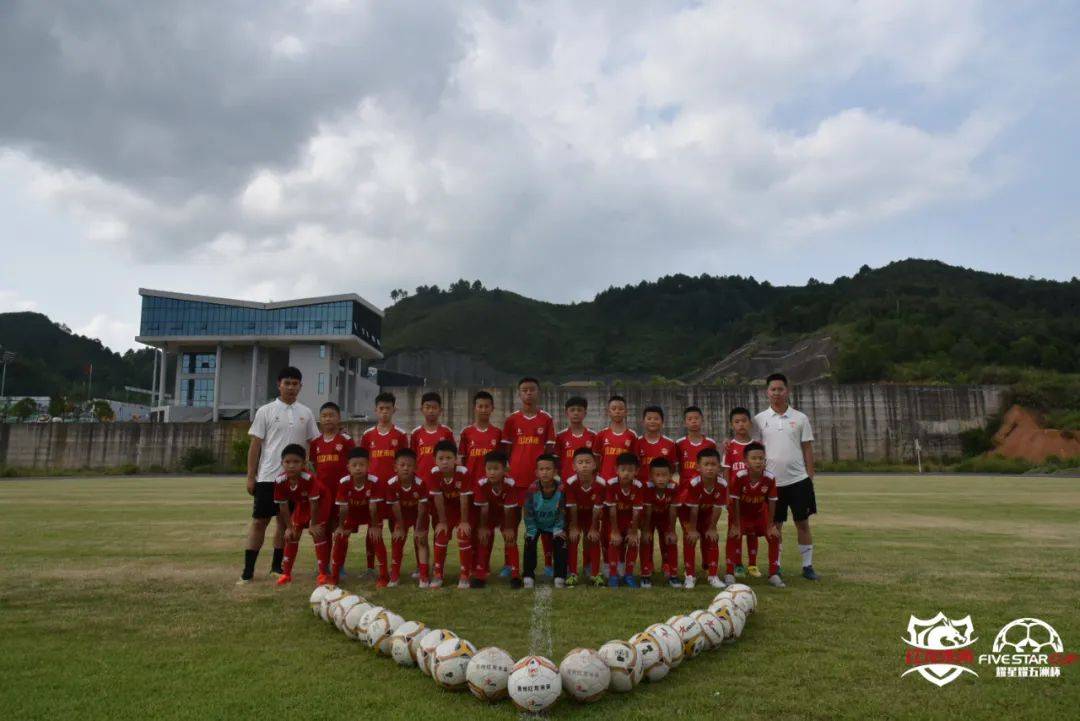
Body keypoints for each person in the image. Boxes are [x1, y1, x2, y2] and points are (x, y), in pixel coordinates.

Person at [239, 366, 319, 585]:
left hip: (295, 481)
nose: (291, 387)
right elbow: (255, 445)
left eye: (295, 384)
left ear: (300, 387)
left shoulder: (306, 412)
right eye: (287, 383)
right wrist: (250, 475)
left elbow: (312, 444)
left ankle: (277, 567)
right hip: (268, 478)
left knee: (285, 525)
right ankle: (248, 571)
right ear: (279, 384)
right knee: (259, 523)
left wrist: (310, 471)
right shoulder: (265, 411)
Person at [753, 372, 819, 581]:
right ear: (767, 392)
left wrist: (809, 475)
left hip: (798, 480)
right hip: (772, 482)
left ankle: (807, 566)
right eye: (773, 389)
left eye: (780, 389)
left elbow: (807, 447)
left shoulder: (800, 418)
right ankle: (776, 566)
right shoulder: (759, 419)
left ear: (787, 391)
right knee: (775, 526)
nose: (777, 393)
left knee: (803, 523)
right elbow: (753, 449)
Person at [501, 377, 556, 573]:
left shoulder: (546, 419)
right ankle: (509, 562)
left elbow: (549, 450)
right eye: (524, 390)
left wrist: (546, 476)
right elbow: (505, 452)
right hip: (516, 481)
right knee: (512, 522)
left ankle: (549, 564)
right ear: (519, 393)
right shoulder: (511, 420)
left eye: (532, 389)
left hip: (539, 483)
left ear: (538, 392)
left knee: (545, 522)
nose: (528, 393)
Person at [360, 392, 409, 577]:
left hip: (394, 490)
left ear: (393, 410)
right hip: (374, 491)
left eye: (388, 408)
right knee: (374, 528)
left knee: (396, 527)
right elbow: (362, 462)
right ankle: (371, 567)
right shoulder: (367, 435)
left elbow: (406, 461)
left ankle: (395, 566)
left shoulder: (401, 435)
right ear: (376, 410)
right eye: (381, 409)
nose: (384, 412)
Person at [308, 401, 354, 575]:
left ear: (339, 418)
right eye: (324, 416)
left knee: (341, 530)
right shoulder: (315, 443)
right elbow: (313, 467)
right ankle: (324, 565)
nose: (328, 419)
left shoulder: (346, 440)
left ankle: (339, 565)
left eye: (331, 415)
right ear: (320, 419)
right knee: (324, 529)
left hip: (341, 494)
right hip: (323, 496)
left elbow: (354, 464)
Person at [728, 441, 783, 587]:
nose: (758, 461)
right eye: (754, 458)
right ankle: (729, 573)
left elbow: (771, 502)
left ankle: (774, 573)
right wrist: (736, 524)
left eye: (761, 458)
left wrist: (771, 525)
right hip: (741, 515)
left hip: (759, 514)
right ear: (746, 461)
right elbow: (735, 501)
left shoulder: (770, 478)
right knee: (733, 535)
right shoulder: (740, 476)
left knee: (774, 536)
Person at [331, 447, 387, 587]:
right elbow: (343, 508)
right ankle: (335, 576)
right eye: (354, 465)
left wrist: (374, 527)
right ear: (348, 467)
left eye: (362, 465)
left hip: (371, 515)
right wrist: (341, 527)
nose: (358, 468)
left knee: (376, 537)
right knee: (340, 537)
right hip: (352, 513)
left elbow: (373, 508)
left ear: (368, 465)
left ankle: (383, 576)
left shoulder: (374, 481)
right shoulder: (344, 482)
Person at [675, 406, 717, 579]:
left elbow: (715, 467)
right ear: (685, 422)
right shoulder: (679, 444)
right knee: (689, 534)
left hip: (706, 496)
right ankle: (688, 571)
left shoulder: (710, 443)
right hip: (686, 497)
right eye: (690, 419)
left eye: (696, 418)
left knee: (707, 531)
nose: (693, 421)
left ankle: (708, 565)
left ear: (702, 420)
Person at [272, 444, 323, 586]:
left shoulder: (309, 478)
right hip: (303, 504)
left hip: (320, 503)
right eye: (287, 462)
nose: (291, 465)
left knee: (318, 533)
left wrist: (313, 524)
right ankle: (286, 574)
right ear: (282, 463)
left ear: (303, 464)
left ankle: (323, 573)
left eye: (296, 462)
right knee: (292, 535)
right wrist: (288, 527)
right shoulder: (280, 481)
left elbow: (314, 503)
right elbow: (283, 505)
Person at [470, 450, 520, 588]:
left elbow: (509, 509)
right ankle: (481, 574)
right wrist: (483, 527)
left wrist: (509, 528)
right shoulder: (481, 484)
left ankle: (515, 575)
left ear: (504, 470)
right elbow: (483, 509)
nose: (492, 472)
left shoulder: (510, 483)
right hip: (489, 516)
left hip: (506, 516)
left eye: (496, 469)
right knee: (483, 537)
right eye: (489, 469)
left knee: (511, 539)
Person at [428, 440, 473, 589]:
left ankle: (465, 574)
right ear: (435, 460)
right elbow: (438, 498)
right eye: (441, 458)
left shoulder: (463, 472)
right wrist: (442, 521)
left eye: (448, 458)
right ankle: (438, 573)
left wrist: (464, 521)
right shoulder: (434, 473)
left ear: (456, 459)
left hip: (461, 510)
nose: (445, 462)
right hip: (445, 512)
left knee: (463, 534)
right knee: (441, 534)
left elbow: (464, 498)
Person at [680, 446, 728, 588]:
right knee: (690, 538)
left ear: (719, 467)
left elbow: (718, 508)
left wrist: (712, 528)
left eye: (713, 464)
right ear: (698, 467)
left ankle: (712, 575)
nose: (710, 468)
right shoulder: (694, 483)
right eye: (706, 464)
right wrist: (693, 530)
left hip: (706, 513)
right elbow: (693, 510)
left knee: (712, 537)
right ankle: (689, 575)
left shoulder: (722, 484)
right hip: (687, 513)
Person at [383, 448, 430, 587]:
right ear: (395, 467)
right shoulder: (391, 484)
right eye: (402, 465)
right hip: (400, 516)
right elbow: (395, 507)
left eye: (409, 466)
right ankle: (395, 575)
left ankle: (424, 575)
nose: (405, 468)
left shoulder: (421, 484)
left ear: (415, 467)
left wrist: (419, 528)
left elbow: (422, 508)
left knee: (421, 541)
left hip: (418, 516)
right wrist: (400, 527)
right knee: (397, 540)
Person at [521, 454, 568, 589]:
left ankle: (560, 576)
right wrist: (531, 529)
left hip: (554, 524)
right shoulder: (532, 489)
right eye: (541, 469)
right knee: (529, 540)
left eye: (548, 469)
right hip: (536, 524)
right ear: (536, 472)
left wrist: (558, 528)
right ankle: (528, 576)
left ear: (555, 472)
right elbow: (528, 511)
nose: (545, 472)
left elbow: (562, 511)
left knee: (561, 541)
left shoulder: (562, 489)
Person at [563, 447, 606, 587]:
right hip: (575, 516)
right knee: (573, 538)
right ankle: (572, 573)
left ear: (594, 465)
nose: (584, 465)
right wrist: (574, 527)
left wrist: (594, 528)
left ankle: (594, 574)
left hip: (591, 516)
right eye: (580, 462)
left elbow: (597, 508)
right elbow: (572, 506)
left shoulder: (601, 483)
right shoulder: (570, 482)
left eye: (588, 462)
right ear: (574, 466)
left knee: (593, 539)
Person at [723, 407, 756, 578]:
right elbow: (727, 472)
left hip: (754, 499)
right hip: (735, 499)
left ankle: (752, 564)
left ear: (750, 423)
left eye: (744, 421)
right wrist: (727, 495)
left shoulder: (757, 446)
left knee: (752, 531)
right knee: (735, 532)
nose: (741, 424)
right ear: (732, 425)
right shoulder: (730, 447)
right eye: (737, 422)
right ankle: (737, 564)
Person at [605, 452, 644, 588]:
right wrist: (615, 531)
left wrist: (633, 532)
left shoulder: (638, 486)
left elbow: (636, 511)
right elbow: (612, 510)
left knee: (634, 542)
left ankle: (629, 574)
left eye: (630, 470)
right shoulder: (611, 484)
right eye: (623, 470)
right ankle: (613, 575)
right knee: (614, 541)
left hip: (629, 522)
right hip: (613, 521)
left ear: (636, 471)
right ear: (616, 470)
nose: (626, 473)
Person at [641, 457, 680, 588]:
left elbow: (673, 511)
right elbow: (647, 512)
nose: (661, 478)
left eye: (664, 475)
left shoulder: (674, 487)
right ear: (651, 476)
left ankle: (672, 573)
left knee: (670, 540)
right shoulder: (647, 487)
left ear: (671, 475)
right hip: (649, 519)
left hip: (665, 518)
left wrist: (672, 530)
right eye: (657, 475)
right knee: (646, 540)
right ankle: (646, 573)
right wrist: (645, 531)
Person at [410, 391, 455, 484]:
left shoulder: (447, 432)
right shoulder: (415, 433)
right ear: (421, 409)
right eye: (427, 407)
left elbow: (453, 457)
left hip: (442, 482)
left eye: (434, 407)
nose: (431, 411)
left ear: (440, 410)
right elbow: (412, 459)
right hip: (421, 481)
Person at [458, 390, 503, 483]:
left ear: (492, 408)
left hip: (491, 484)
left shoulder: (498, 433)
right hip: (471, 483)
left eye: (487, 406)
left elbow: (502, 460)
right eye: (480, 406)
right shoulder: (466, 432)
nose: (483, 410)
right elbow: (462, 460)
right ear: (474, 408)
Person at [595, 395, 638, 482]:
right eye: (613, 409)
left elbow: (635, 459)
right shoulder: (601, 434)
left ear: (626, 412)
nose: (617, 411)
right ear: (608, 412)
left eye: (620, 409)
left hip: (625, 481)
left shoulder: (632, 435)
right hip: (605, 480)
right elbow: (596, 460)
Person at [554, 396, 596, 482]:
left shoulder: (593, 436)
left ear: (585, 413)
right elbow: (556, 462)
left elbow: (597, 462)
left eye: (579, 410)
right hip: (566, 482)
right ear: (566, 413)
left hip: (587, 483)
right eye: (572, 410)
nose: (576, 413)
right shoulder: (560, 437)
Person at [635, 405, 677, 484]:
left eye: (656, 419)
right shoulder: (637, 442)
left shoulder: (670, 443)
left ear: (662, 422)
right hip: (642, 487)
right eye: (649, 418)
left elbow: (673, 468)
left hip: (662, 487)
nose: (652, 421)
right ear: (643, 422)